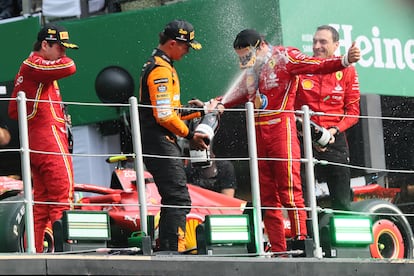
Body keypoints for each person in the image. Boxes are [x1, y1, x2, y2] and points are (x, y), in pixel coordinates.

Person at [220, 29, 360, 254]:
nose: (244, 61)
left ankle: (303, 242)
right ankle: (279, 249)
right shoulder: (250, 71)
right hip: (260, 134)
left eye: (246, 55)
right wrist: (216, 103)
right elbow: (236, 93)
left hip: (284, 131)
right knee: (267, 197)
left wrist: (344, 60)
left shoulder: (286, 57)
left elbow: (318, 65)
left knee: (290, 191)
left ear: (260, 46)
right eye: (240, 57)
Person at [138, 19, 221, 252]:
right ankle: (172, 250)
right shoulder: (160, 70)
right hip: (159, 141)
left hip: (161, 139)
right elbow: (164, 116)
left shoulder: (163, 64)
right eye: (186, 47)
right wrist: (191, 134)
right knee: (177, 197)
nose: (187, 52)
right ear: (173, 43)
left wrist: (200, 110)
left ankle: (170, 248)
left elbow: (169, 111)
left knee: (175, 196)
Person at [8, 23, 79, 253]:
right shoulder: (34, 64)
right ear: (45, 45)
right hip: (48, 140)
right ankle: (65, 253)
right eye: (59, 47)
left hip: (37, 141)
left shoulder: (33, 69)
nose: (64, 53)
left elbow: (12, 110)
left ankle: (36, 254)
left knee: (41, 204)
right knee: (63, 194)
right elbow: (70, 67)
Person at [295, 25, 360, 211]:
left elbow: (353, 112)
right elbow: (289, 105)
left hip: (335, 137)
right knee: (303, 200)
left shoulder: (348, 71)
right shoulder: (302, 68)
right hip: (303, 137)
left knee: (342, 200)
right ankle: (306, 238)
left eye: (323, 41)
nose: (317, 46)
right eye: (314, 41)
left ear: (336, 44)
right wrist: (304, 129)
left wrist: (333, 130)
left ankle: (346, 239)